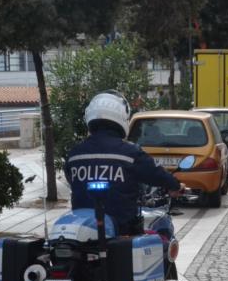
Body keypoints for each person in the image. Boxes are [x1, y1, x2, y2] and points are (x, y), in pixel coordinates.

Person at [65, 90, 184, 236]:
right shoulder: (130, 153)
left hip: (81, 233)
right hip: (121, 232)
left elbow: (70, 180)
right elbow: (155, 173)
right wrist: (176, 185)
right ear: (122, 117)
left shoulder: (74, 154)